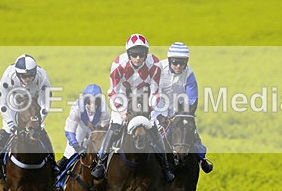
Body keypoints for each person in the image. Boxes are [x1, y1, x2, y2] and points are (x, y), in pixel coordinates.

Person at [91, 33, 175, 182]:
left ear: (146, 54)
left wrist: (150, 109)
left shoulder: (155, 65)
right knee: (115, 126)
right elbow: (114, 91)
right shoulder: (118, 64)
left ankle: (165, 167)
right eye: (134, 54)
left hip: (146, 96)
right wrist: (122, 112)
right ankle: (101, 164)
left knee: (154, 129)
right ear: (128, 54)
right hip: (123, 96)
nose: (138, 58)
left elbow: (156, 91)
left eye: (141, 54)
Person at [0, 54, 57, 179]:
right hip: (14, 103)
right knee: (6, 131)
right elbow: (2, 101)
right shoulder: (8, 76)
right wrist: (10, 122)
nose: (28, 79)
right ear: (18, 74)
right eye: (24, 76)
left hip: (34, 104)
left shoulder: (42, 77)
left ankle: (53, 164)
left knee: (41, 131)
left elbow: (46, 102)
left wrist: (38, 121)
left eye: (31, 75)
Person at [159, 42, 213, 173]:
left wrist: (183, 112)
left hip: (180, 111)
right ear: (170, 60)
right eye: (175, 63)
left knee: (192, 133)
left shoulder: (189, 73)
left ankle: (201, 159)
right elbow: (153, 92)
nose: (178, 66)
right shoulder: (159, 69)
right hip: (159, 110)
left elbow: (192, 97)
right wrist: (161, 115)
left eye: (182, 63)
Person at [57, 83, 110, 176]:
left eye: (96, 102)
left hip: (96, 130)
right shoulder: (76, 107)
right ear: (85, 100)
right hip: (80, 128)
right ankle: (56, 176)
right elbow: (70, 130)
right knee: (70, 153)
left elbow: (105, 130)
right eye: (89, 102)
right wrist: (76, 146)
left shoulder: (104, 109)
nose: (92, 105)